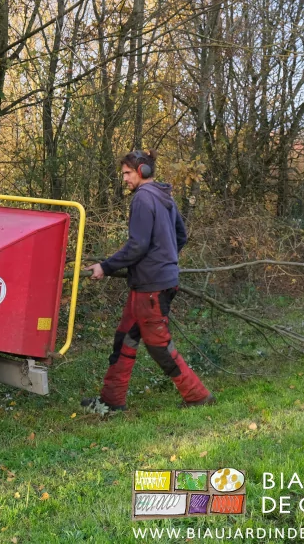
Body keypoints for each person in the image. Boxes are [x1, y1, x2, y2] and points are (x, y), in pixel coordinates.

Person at [82, 149, 214, 413]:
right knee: (125, 339)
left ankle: (198, 396)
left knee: (159, 346)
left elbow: (137, 246)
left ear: (143, 171)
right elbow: (181, 236)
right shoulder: (165, 197)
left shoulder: (143, 198)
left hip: (151, 288)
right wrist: (165, 260)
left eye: (128, 173)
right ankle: (111, 401)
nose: (125, 179)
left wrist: (105, 267)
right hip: (148, 285)